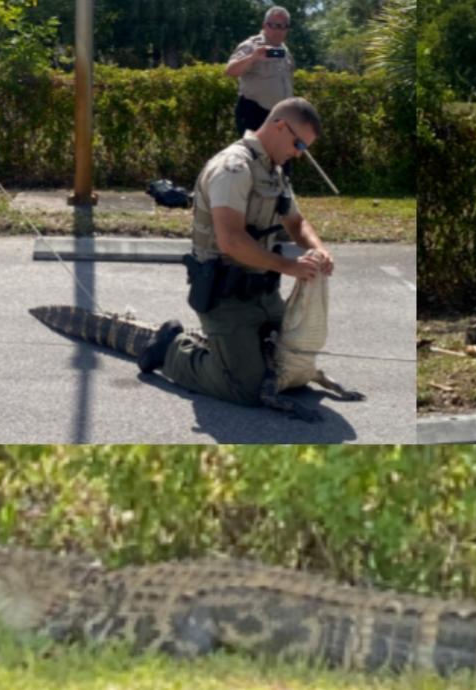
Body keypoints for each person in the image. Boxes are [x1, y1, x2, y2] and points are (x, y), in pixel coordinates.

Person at [139, 98, 334, 412]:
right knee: (247, 388)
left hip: (264, 294)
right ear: (279, 126)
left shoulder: (275, 172)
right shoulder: (233, 168)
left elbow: (297, 223)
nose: (299, 152)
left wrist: (319, 250)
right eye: (298, 143)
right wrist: (290, 266)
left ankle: (227, 349)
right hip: (225, 297)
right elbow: (230, 241)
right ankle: (171, 349)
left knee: (292, 365)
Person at [225, 7, 295, 137]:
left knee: (280, 157)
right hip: (254, 114)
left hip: (280, 117)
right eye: (274, 25)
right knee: (257, 156)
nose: (279, 30)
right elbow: (230, 71)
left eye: (284, 26)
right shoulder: (251, 45)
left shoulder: (285, 50)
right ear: (264, 25)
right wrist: (253, 57)